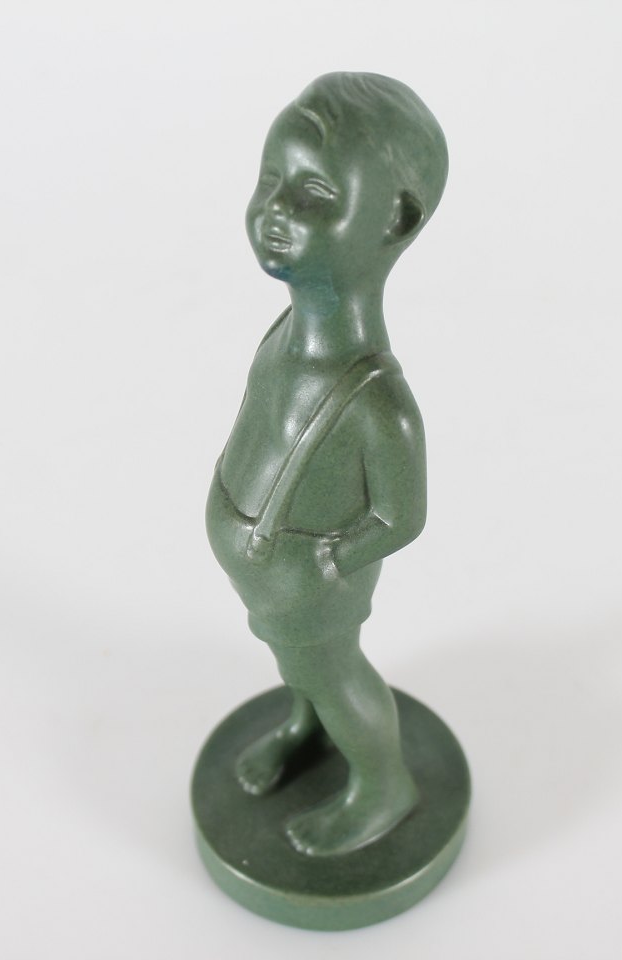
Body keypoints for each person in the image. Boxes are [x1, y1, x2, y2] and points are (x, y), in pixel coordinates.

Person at [206, 72, 449, 857]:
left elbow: (402, 516)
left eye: (314, 193)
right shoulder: (284, 334)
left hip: (305, 582)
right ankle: (304, 726)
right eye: (271, 179)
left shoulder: (378, 401)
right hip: (268, 573)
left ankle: (382, 786)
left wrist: (328, 562)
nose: (276, 210)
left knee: (334, 672)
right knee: (301, 667)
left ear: (394, 220)